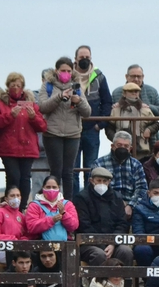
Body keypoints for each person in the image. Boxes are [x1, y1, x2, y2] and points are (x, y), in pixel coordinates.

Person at [0, 72, 47, 210]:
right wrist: (10, 115)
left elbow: (43, 126)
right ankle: (9, 207)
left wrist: (33, 117)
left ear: (23, 87)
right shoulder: (0, 103)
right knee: (13, 177)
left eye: (18, 85)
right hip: (8, 148)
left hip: (27, 148)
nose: (15, 88)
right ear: (7, 86)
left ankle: (22, 208)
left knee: (25, 178)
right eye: (12, 85)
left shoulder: (31, 104)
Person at [39, 57, 92, 198]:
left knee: (69, 172)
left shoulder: (77, 86)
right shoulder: (48, 86)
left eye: (69, 71)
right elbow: (42, 107)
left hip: (72, 134)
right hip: (52, 133)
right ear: (56, 70)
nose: (66, 73)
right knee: (55, 171)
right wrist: (58, 97)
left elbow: (87, 112)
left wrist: (78, 101)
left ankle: (68, 204)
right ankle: (52, 202)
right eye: (63, 70)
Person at [73, 167, 133, 266]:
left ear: (109, 182)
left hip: (114, 242)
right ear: (91, 181)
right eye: (98, 180)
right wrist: (101, 244)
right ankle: (99, 281)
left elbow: (122, 223)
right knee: (99, 254)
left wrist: (113, 244)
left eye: (105, 181)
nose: (102, 183)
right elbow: (84, 225)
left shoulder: (117, 197)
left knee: (126, 252)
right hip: (89, 243)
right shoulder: (81, 198)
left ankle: (124, 281)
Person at [74, 45, 112, 173]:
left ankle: (88, 193)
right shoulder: (69, 76)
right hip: (72, 129)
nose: (84, 59)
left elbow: (107, 101)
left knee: (91, 168)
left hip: (92, 129)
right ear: (75, 59)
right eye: (81, 57)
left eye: (87, 57)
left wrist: (100, 124)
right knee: (73, 169)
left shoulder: (99, 77)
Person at [94, 131, 147, 217]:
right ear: (112, 146)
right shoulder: (99, 163)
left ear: (130, 148)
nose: (122, 148)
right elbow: (94, 187)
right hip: (106, 205)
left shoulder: (136, 165)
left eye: (126, 146)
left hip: (132, 206)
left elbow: (142, 188)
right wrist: (117, 203)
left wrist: (130, 205)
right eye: (119, 145)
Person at [106, 82, 159, 160]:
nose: (134, 93)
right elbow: (109, 127)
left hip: (142, 150)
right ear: (124, 93)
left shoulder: (145, 110)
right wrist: (115, 138)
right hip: (121, 150)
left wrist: (149, 130)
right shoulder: (116, 110)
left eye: (136, 91)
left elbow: (156, 124)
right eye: (131, 91)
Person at [25, 174, 79, 241]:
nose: (51, 190)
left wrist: (64, 214)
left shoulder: (67, 204)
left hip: (65, 244)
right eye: (48, 187)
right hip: (41, 244)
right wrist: (51, 220)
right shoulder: (34, 205)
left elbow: (74, 226)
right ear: (43, 188)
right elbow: (31, 227)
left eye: (54, 187)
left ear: (58, 188)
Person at [0, 186, 28, 264]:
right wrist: (14, 239)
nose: (16, 198)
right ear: (6, 199)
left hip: (17, 247)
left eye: (18, 195)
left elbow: (24, 235)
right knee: (20, 257)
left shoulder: (21, 216)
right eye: (12, 196)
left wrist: (23, 241)